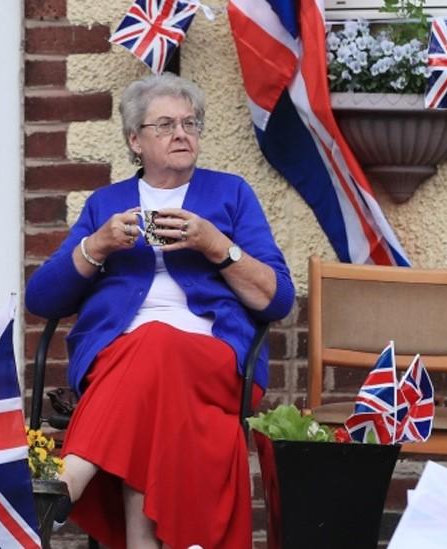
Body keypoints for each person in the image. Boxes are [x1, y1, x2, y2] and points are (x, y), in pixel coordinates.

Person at [26, 73, 294, 549]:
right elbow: (42, 301)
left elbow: (277, 299)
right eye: (166, 124)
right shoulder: (106, 203)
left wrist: (217, 246)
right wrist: (97, 245)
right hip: (118, 360)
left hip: (218, 360)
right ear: (135, 140)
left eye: (191, 123)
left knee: (155, 341)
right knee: (151, 366)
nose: (182, 133)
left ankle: (69, 475)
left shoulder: (231, 195)